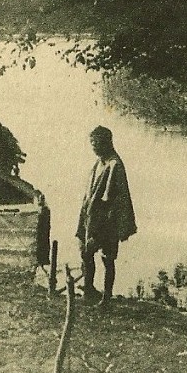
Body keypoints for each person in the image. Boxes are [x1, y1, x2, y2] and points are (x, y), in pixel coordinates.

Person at [76, 126, 137, 308]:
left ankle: (106, 298)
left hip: (107, 221)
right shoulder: (99, 162)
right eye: (92, 143)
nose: (93, 147)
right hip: (92, 218)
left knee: (107, 258)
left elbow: (114, 201)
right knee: (85, 252)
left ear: (106, 143)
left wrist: (100, 230)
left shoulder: (115, 165)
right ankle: (89, 290)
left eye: (96, 144)